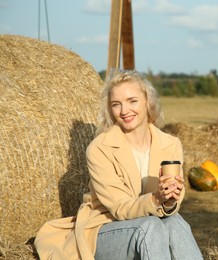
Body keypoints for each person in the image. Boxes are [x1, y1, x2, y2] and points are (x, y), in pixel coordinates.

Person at [34, 69, 203, 260]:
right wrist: (156, 199)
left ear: (148, 101)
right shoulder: (99, 149)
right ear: (110, 109)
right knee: (150, 226)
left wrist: (170, 200)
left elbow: (173, 201)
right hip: (105, 230)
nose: (124, 111)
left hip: (149, 224)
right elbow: (120, 208)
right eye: (116, 104)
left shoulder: (170, 144)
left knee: (176, 222)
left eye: (132, 101)